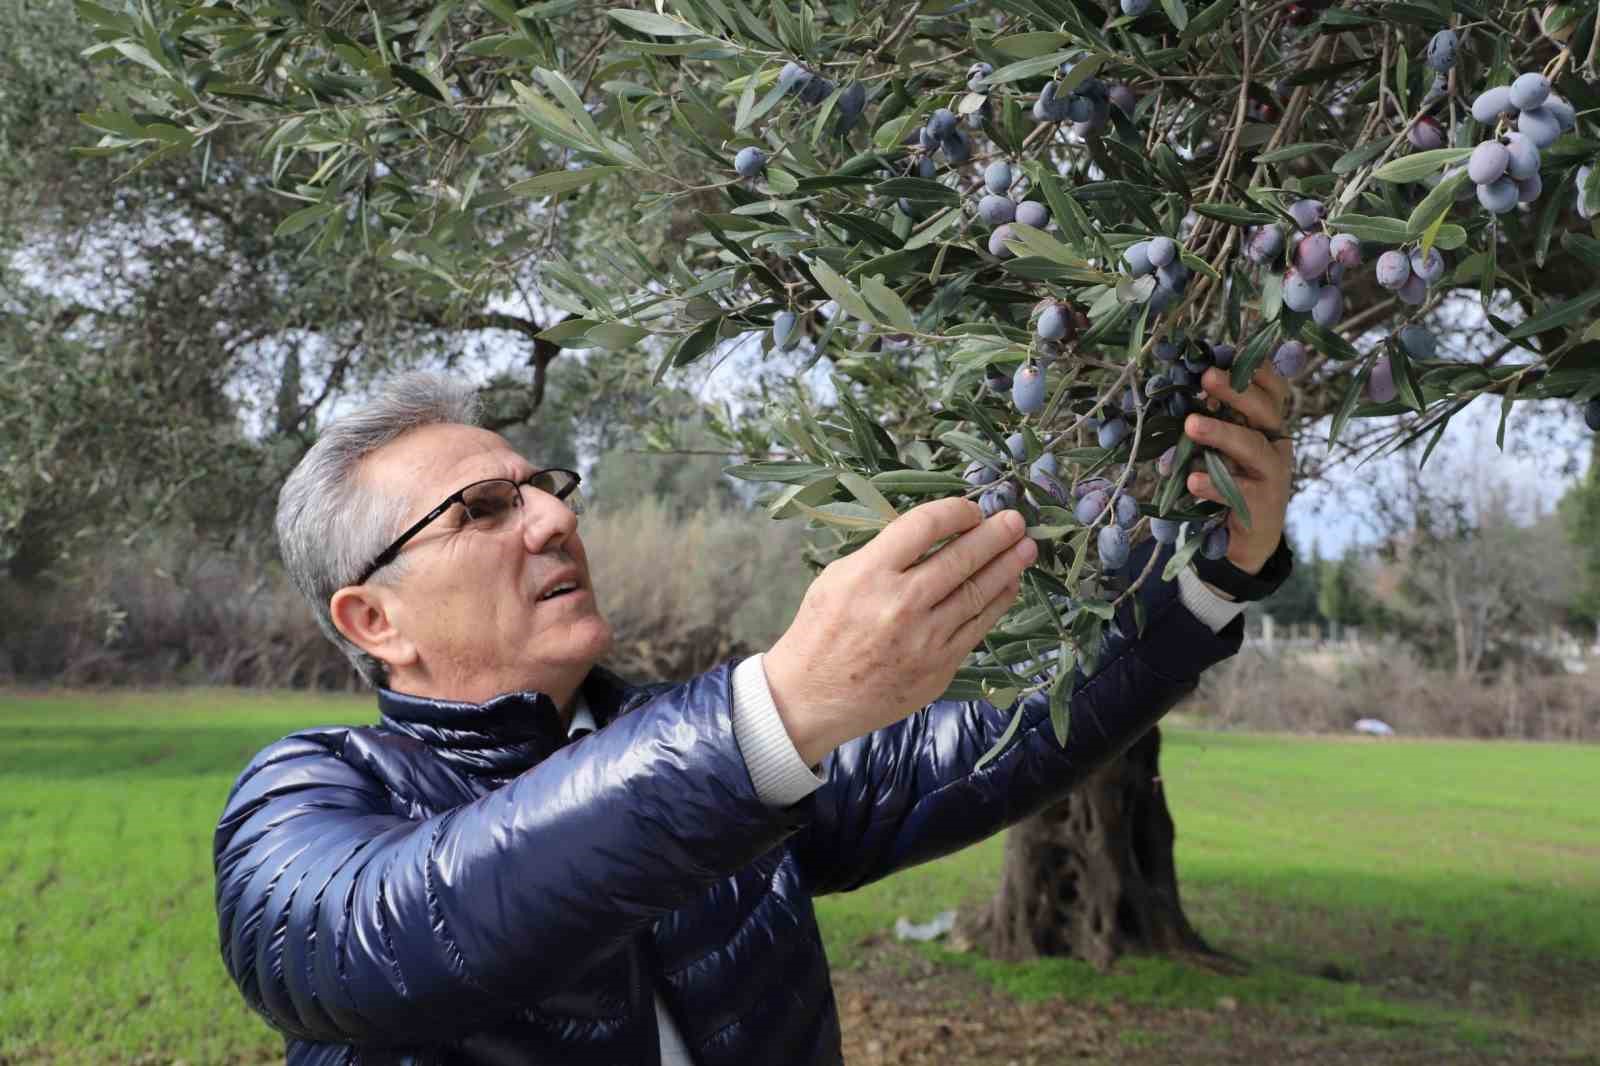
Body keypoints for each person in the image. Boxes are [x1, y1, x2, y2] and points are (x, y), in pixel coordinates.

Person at [216, 368, 1293, 1065]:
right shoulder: (308, 796)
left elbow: (984, 744)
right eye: (484, 510)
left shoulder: (724, 757)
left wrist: (1212, 581)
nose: (553, 516)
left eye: (541, 485)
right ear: (374, 616)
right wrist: (769, 713)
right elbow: (378, 938)